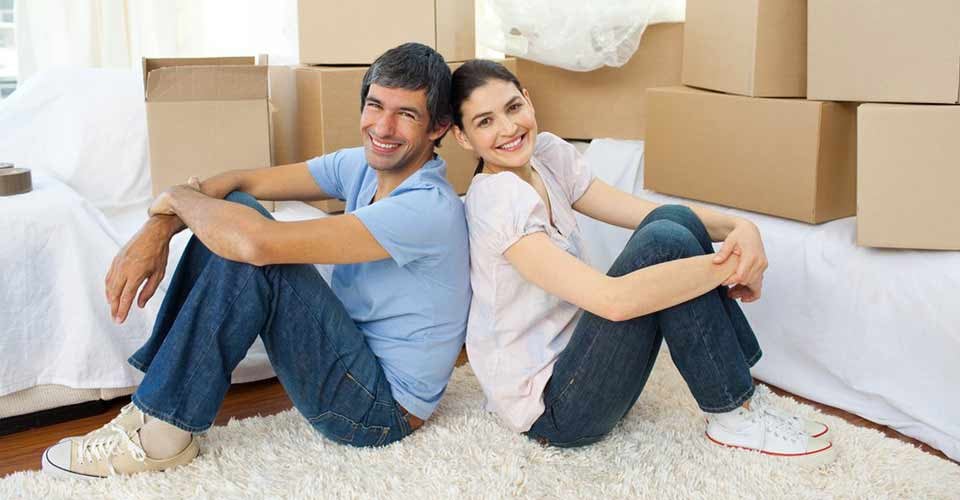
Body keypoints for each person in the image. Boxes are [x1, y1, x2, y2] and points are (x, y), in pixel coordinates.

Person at [41, 43, 471, 479]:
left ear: (437, 127)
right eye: (375, 105)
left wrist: (172, 203)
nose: (383, 126)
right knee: (240, 207)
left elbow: (258, 245)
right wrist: (158, 228)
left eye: (406, 114)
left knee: (250, 248)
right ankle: (156, 408)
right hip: (354, 362)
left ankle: (161, 434)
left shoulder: (428, 209)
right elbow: (237, 181)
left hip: (378, 412)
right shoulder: (362, 166)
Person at [449, 59, 835, 466]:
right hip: (554, 410)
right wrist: (730, 265)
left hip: (584, 361)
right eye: (485, 121)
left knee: (674, 223)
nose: (509, 129)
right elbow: (612, 301)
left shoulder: (546, 156)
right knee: (666, 243)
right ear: (462, 136)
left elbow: (643, 212)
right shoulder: (496, 201)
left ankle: (743, 399)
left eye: (512, 108)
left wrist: (740, 228)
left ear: (527, 99)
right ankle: (732, 413)